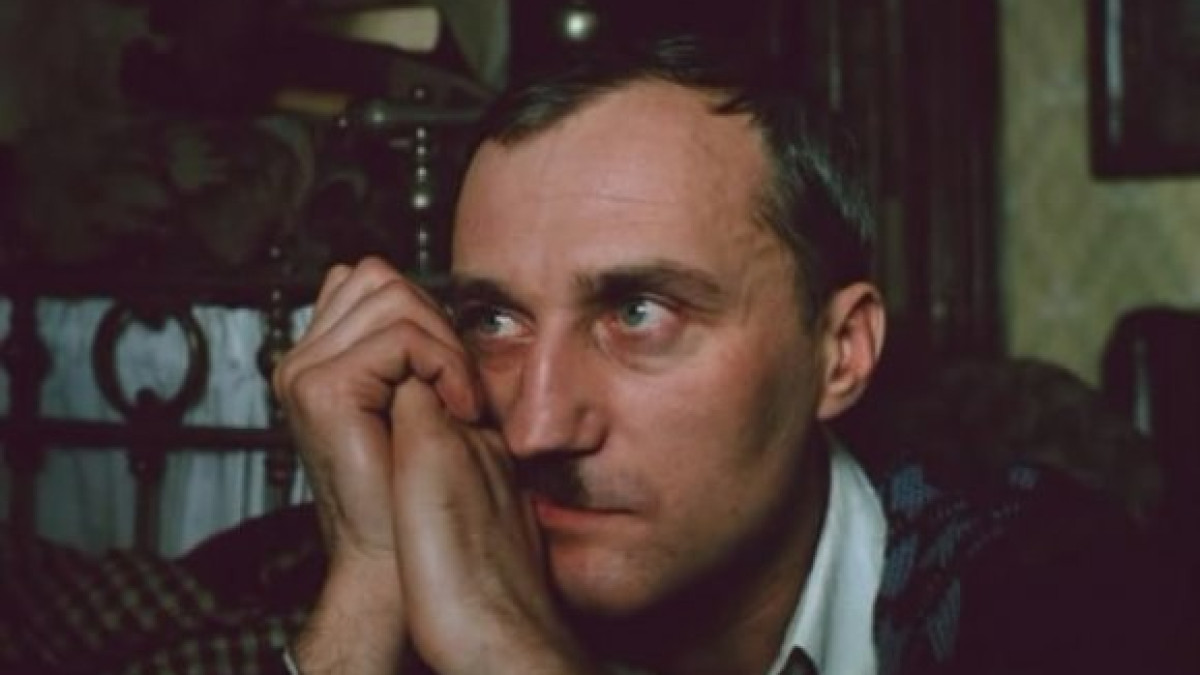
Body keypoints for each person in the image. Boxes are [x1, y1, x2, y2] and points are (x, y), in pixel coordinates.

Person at [272, 35, 1190, 675]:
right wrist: (368, 589)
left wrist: (511, 654)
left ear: (841, 352)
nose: (538, 426)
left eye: (638, 311)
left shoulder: (1057, 594)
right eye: (495, 320)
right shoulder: (370, 563)